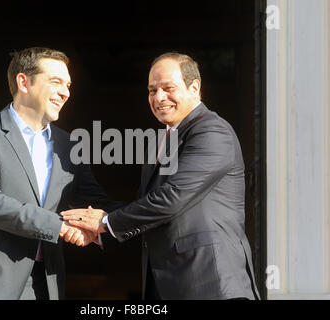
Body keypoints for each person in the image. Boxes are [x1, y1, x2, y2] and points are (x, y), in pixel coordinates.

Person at [62, 52, 260, 300]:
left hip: (210, 285)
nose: (158, 98)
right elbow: (145, 208)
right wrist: (100, 229)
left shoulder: (212, 131)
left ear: (194, 88)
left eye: (168, 88)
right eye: (152, 90)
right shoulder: (163, 140)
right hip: (168, 285)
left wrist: (104, 223)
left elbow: (171, 199)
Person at [0, 47, 116, 299]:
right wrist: (61, 227)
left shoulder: (70, 145)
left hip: (44, 285)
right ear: (24, 82)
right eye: (56, 82)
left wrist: (138, 217)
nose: (65, 92)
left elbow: (96, 203)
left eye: (68, 85)